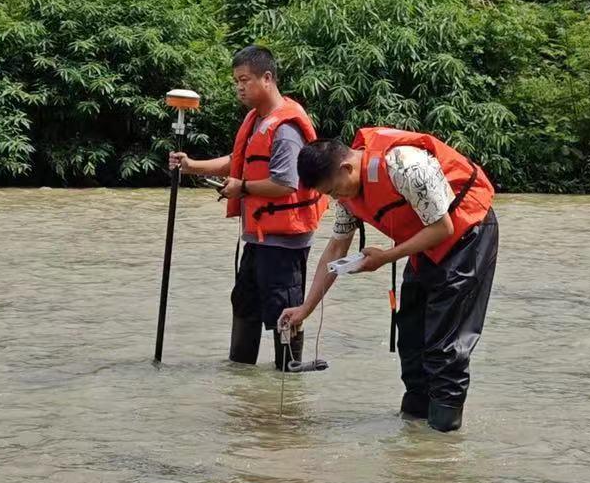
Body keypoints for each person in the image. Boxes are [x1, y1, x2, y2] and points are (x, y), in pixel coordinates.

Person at [281, 128, 498, 433]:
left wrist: (387, 256)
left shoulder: (406, 165)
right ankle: (413, 437)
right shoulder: (347, 193)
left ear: (346, 167)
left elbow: (443, 228)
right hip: (423, 243)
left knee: (444, 347)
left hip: (467, 233)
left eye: (333, 190)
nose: (335, 198)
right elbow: (336, 248)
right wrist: (306, 307)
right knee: (410, 338)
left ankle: (442, 444)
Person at [169, 46, 327, 370]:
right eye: (236, 81)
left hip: (284, 242)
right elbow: (237, 162)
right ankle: (240, 383)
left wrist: (243, 188)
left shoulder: (285, 129)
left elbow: (285, 184)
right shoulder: (257, 120)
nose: (239, 87)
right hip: (258, 236)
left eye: (245, 80)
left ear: (267, 78)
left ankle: (289, 375)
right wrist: (192, 166)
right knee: (244, 304)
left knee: (284, 312)